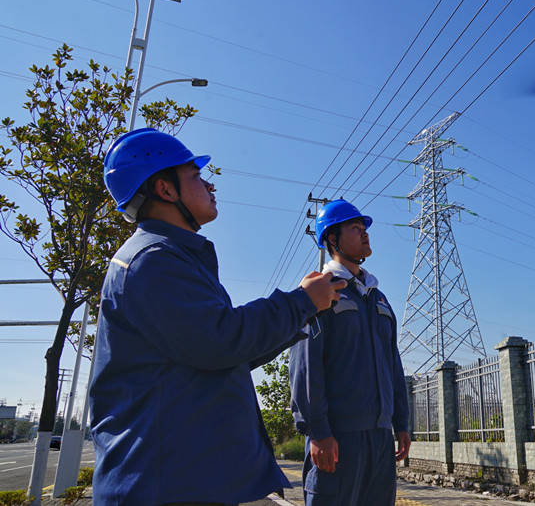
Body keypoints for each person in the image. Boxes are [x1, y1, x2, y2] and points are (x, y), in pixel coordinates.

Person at [89, 127, 346, 505]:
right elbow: (222, 340)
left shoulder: (171, 258)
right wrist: (300, 304)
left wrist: (301, 308)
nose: (210, 185)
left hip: (175, 478)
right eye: (196, 176)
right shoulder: (153, 261)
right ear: (165, 189)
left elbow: (226, 352)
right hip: (158, 484)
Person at [289, 199, 411, 506]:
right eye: (355, 229)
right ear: (333, 238)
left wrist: (402, 423)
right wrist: (318, 432)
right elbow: (305, 366)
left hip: (380, 439)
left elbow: (393, 365)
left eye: (364, 228)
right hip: (338, 437)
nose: (365, 234)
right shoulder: (320, 290)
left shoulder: (378, 298)